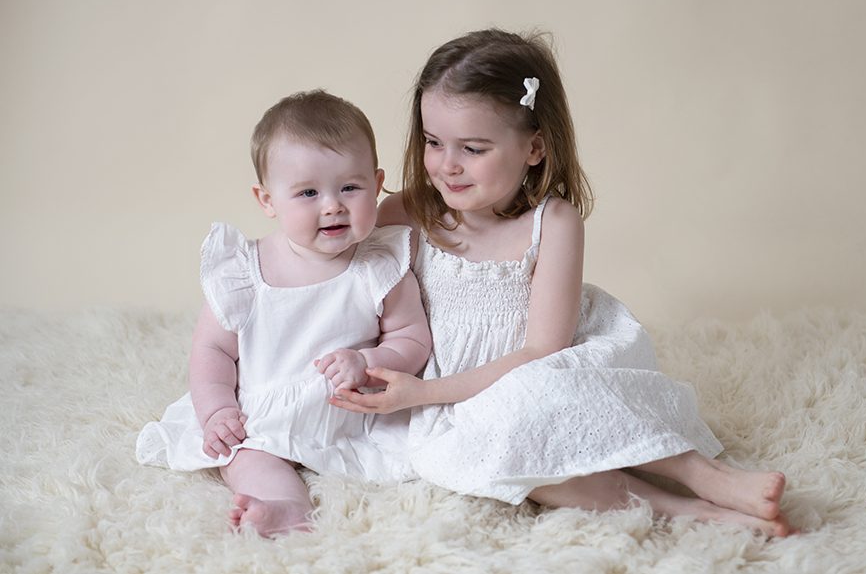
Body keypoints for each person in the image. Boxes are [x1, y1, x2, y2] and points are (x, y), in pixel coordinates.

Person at [331, 29, 792, 537]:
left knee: (543, 400)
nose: (447, 165)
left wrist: (425, 392)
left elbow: (542, 350)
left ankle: (704, 475)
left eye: (474, 148)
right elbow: (346, 285)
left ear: (534, 147)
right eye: (434, 143)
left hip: (539, 366)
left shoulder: (552, 222)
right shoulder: (404, 213)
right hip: (452, 391)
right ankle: (680, 508)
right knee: (513, 457)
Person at [136, 90, 431, 537]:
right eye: (308, 192)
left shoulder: (380, 268)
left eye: (350, 187)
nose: (332, 205)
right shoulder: (244, 272)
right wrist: (217, 411)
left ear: (376, 183)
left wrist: (368, 362)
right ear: (267, 199)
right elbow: (212, 350)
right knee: (246, 457)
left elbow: (412, 340)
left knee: (410, 453)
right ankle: (284, 508)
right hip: (262, 414)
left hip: (348, 415)